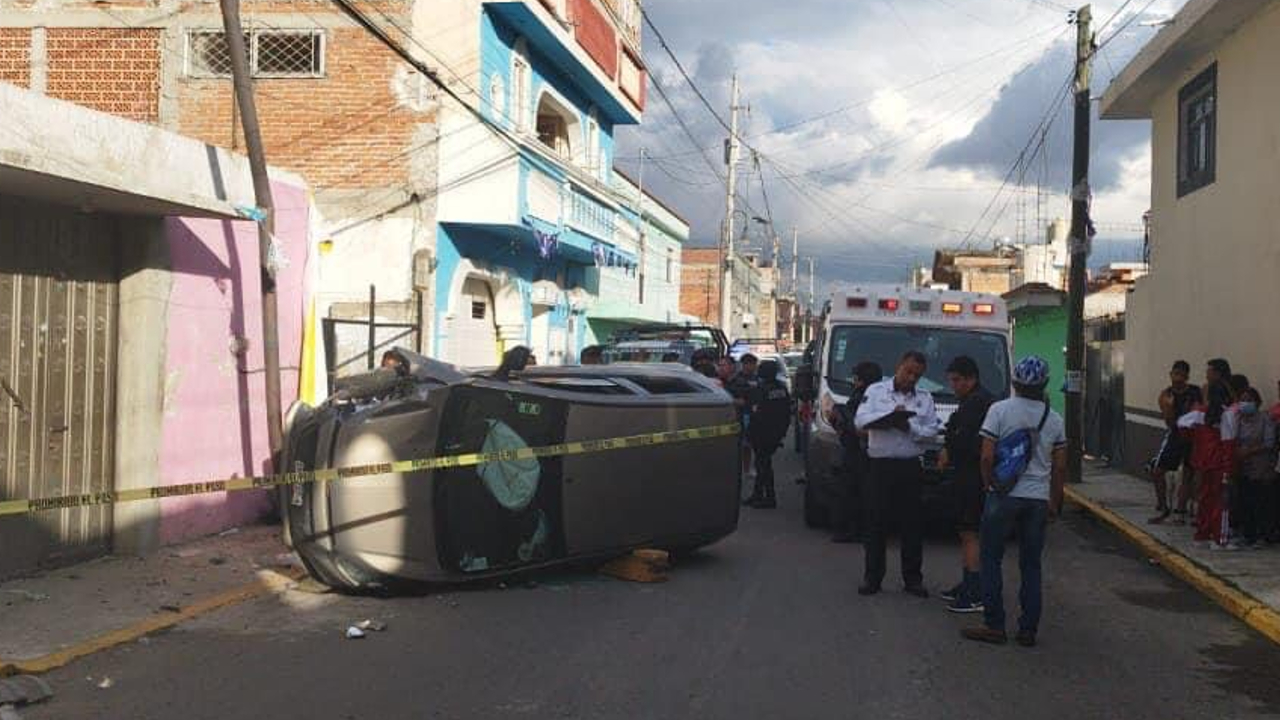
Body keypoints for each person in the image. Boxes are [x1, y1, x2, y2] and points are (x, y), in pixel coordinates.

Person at [962, 356, 1066, 648]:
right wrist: (1054, 501)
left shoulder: (999, 410)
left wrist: (989, 484)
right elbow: (1060, 467)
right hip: (1037, 498)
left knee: (991, 559)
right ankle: (1027, 630)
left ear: (1015, 383)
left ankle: (994, 625)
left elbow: (986, 456)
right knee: (1031, 565)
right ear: (1045, 384)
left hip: (1004, 495)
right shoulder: (1055, 419)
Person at [854, 350, 941, 598]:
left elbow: (932, 432)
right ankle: (872, 578)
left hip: (909, 467)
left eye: (917, 375)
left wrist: (909, 427)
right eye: (908, 372)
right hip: (879, 466)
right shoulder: (876, 391)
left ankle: (913, 579)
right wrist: (888, 417)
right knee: (875, 524)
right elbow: (860, 421)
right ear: (899, 366)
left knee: (912, 525)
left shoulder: (925, 398)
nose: (911, 378)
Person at [937, 356, 995, 613]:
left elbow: (963, 437)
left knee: (970, 533)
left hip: (972, 476)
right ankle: (968, 583)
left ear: (971, 379)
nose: (953, 385)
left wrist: (949, 446)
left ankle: (975, 592)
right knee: (965, 532)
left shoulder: (977, 403)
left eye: (957, 380)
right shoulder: (973, 401)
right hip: (968, 475)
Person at [829, 361, 883, 543]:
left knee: (850, 491)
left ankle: (850, 530)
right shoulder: (881, 396)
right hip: (873, 451)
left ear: (860, 380)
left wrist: (837, 418)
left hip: (857, 450)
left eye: (856, 378)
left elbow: (852, 424)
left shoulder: (861, 396)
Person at [1146, 360, 1203, 524]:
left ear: (1186, 377)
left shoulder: (1195, 392)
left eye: (1181, 375)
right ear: (1171, 375)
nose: (1177, 378)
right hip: (1175, 436)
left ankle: (1180, 509)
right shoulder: (1166, 395)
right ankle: (1163, 506)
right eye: (1175, 374)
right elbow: (1170, 423)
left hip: (1193, 437)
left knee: (1188, 473)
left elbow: (1198, 413)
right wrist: (1169, 408)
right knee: (1158, 471)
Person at [1189, 358, 1233, 544]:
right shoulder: (1227, 414)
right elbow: (1228, 442)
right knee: (1218, 499)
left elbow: (1188, 431)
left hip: (1206, 460)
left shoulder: (1201, 413)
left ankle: (1204, 531)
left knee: (1206, 497)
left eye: (1209, 371)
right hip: (1219, 461)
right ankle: (1218, 536)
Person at [1227, 387, 1276, 547]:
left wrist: (1249, 451)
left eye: (1249, 400)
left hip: (1260, 466)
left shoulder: (1265, 419)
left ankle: (1262, 535)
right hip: (1242, 466)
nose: (1245, 403)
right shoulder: (1238, 419)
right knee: (1244, 500)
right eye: (1243, 399)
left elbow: (1269, 443)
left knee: (1259, 501)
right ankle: (1248, 534)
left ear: (1257, 402)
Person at [744, 360, 792, 509]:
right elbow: (787, 412)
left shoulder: (761, 389)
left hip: (761, 433)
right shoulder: (782, 389)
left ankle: (770, 497)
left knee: (763, 465)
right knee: (763, 463)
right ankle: (758, 494)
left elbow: (755, 412)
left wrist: (750, 432)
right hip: (776, 433)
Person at [727, 354, 761, 480]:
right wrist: (737, 401)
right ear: (745, 364)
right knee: (745, 444)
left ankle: (752, 468)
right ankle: (744, 470)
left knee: (754, 444)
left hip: (756, 415)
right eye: (752, 364)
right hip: (742, 415)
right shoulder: (736, 379)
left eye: (755, 364)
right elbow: (728, 396)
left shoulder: (758, 378)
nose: (754, 367)